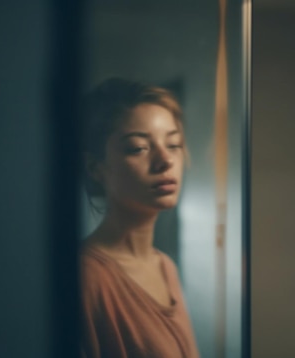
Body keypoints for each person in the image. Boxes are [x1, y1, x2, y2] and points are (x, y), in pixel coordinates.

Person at [80, 78, 199, 358]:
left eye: (174, 144)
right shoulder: (87, 278)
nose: (165, 160)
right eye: (137, 147)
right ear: (96, 168)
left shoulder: (165, 266)